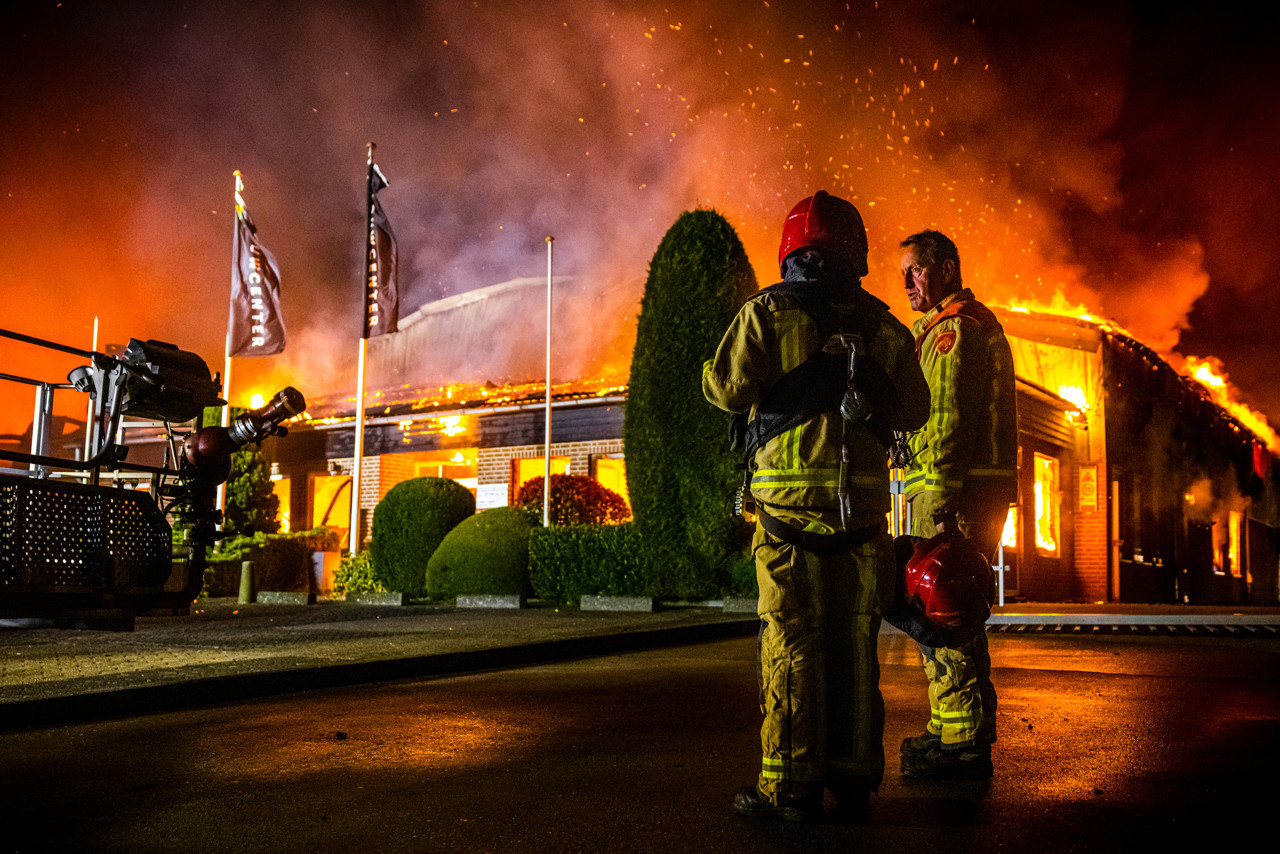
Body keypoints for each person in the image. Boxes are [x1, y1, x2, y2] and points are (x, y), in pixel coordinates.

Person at [703, 191, 929, 822]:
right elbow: (915, 411)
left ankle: (790, 788)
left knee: (790, 644)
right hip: (863, 524)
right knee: (855, 648)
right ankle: (854, 782)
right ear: (856, 254)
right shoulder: (887, 329)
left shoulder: (766, 313)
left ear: (790, 250)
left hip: (787, 522)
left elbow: (727, 391)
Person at [898, 229, 1018, 780]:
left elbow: (946, 420)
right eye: (902, 273)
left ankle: (962, 743)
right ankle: (954, 726)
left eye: (916, 270)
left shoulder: (954, 330)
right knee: (953, 612)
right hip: (967, 493)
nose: (907, 283)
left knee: (944, 611)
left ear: (946, 269)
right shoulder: (963, 324)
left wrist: (941, 504)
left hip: (954, 497)